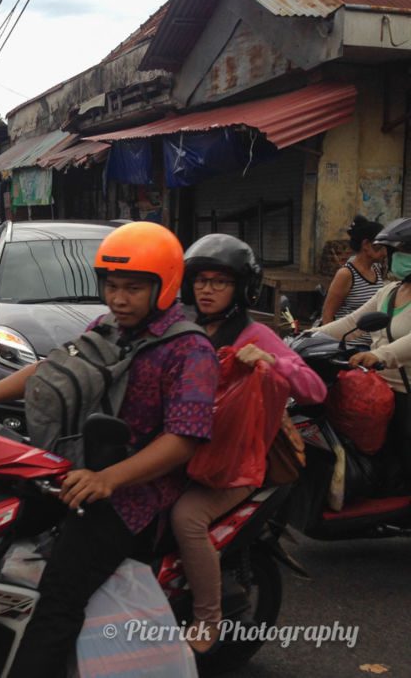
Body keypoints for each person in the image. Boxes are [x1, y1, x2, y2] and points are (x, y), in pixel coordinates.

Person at [0, 221, 219, 677]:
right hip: (75, 470)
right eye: (111, 285)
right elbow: (50, 367)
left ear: (164, 287)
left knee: (60, 597)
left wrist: (109, 478)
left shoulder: (189, 350)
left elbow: (183, 439)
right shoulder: (106, 326)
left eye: (132, 288)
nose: (119, 298)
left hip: (133, 494)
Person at [170, 234, 326, 654]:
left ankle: (207, 618)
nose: (207, 289)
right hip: (181, 450)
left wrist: (273, 362)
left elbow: (314, 391)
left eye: (219, 282)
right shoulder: (182, 326)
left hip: (233, 462)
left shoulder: (256, 335)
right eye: (201, 280)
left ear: (240, 288)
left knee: (187, 518)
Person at [315, 217, 411, 489]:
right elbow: (350, 323)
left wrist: (380, 355)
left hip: (407, 396)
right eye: (394, 253)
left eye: (401, 252)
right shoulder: (390, 291)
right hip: (379, 392)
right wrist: (305, 337)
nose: (392, 259)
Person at [320, 215, 386, 344]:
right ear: (366, 244)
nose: (384, 252)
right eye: (381, 246)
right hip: (351, 347)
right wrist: (331, 345)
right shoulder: (346, 274)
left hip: (373, 347)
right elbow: (328, 315)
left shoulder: (377, 270)